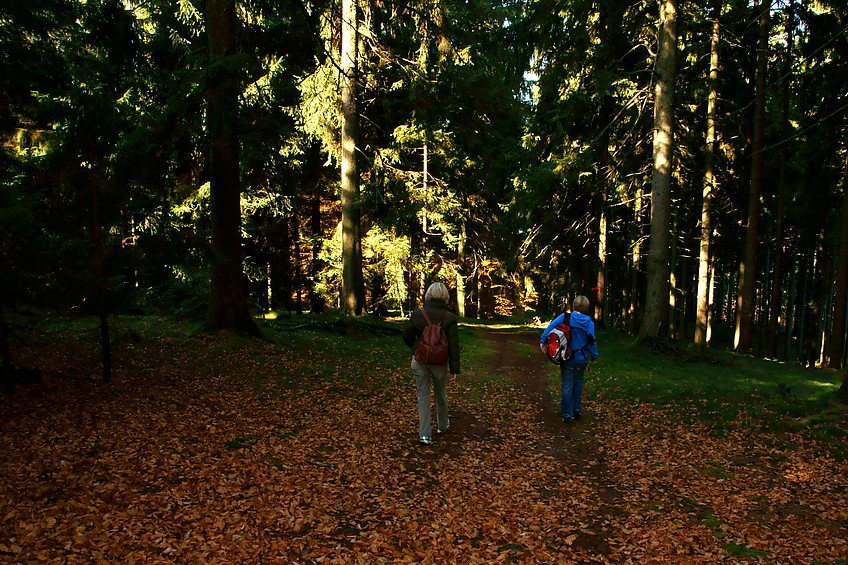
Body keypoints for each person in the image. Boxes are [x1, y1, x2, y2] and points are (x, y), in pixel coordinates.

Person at [402, 282, 460, 445]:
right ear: (445, 297)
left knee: (423, 395)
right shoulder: (449, 317)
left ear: (428, 294)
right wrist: (454, 368)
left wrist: (415, 349)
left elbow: (406, 335)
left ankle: (425, 435)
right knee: (440, 392)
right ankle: (442, 425)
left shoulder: (418, 313)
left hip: (420, 361)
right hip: (440, 363)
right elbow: (453, 345)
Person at [539, 295, 599, 423]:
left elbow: (550, 327)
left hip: (567, 356)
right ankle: (577, 410)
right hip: (582, 358)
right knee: (578, 384)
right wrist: (594, 356)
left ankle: (567, 414)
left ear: (573, 306)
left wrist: (542, 341)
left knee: (567, 385)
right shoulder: (589, 323)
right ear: (587, 308)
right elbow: (592, 342)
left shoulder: (565, 317)